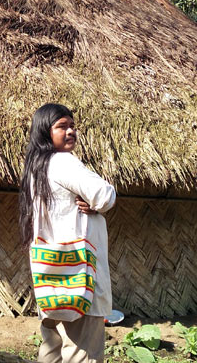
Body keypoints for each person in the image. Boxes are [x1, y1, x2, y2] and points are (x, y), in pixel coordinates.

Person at [18, 103, 116, 363]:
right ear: (45, 132)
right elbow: (105, 194)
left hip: (51, 271)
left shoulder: (36, 168)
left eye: (72, 126)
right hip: (77, 270)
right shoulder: (63, 162)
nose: (71, 131)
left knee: (52, 346)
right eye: (62, 126)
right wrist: (95, 205)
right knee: (82, 350)